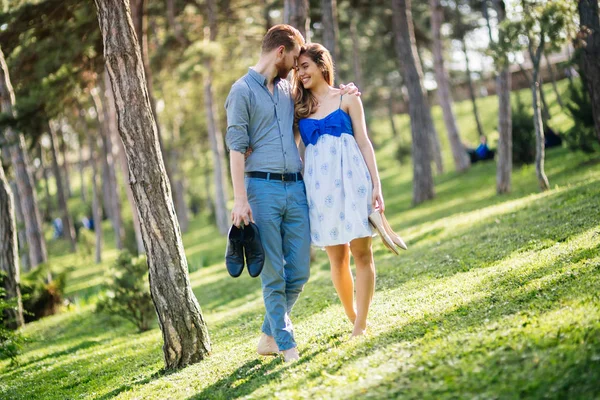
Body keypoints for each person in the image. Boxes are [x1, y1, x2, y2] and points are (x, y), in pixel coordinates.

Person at [224, 25, 358, 362]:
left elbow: (321, 104)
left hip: (296, 187)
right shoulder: (241, 91)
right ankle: (287, 346)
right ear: (281, 52)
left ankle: (268, 336)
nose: (298, 67)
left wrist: (345, 92)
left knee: (299, 271)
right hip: (261, 190)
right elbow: (236, 149)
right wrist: (240, 200)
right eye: (296, 58)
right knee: (273, 274)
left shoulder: (289, 91)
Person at [293, 43, 382, 337]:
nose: (300, 73)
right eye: (297, 69)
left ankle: (361, 325)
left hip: (354, 182)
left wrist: (376, 185)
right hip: (320, 190)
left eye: (305, 66)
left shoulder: (347, 98)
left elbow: (364, 142)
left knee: (362, 254)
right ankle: (351, 315)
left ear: (322, 65)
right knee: (337, 258)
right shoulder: (299, 109)